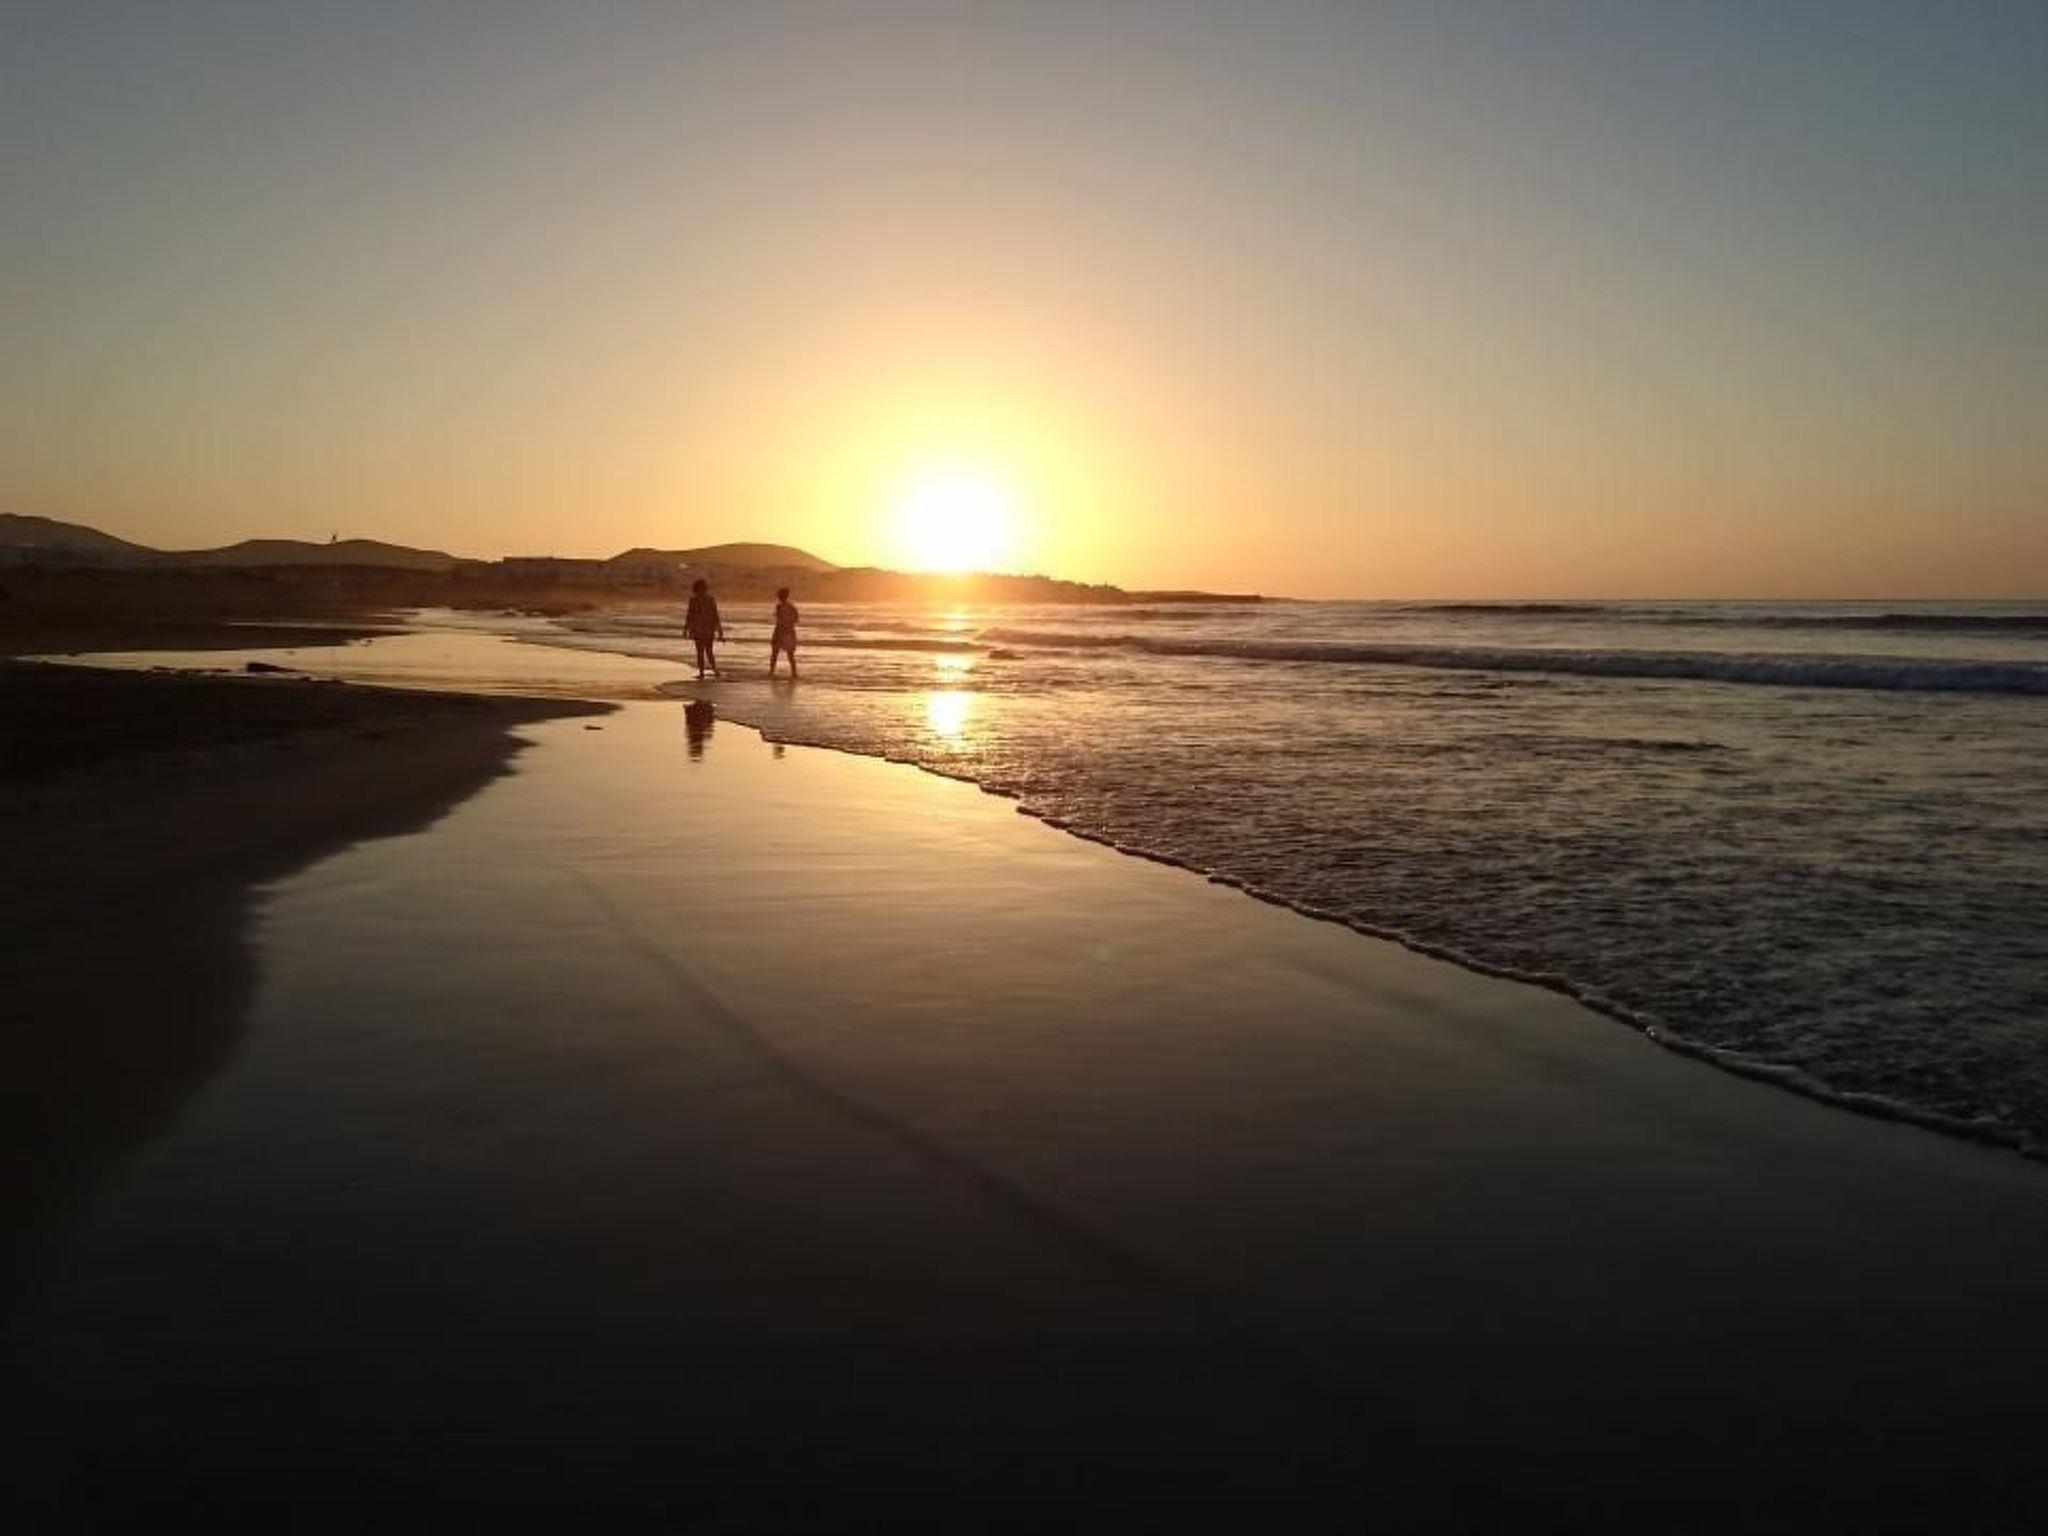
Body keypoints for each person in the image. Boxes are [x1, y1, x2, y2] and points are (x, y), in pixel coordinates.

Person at [683, 578, 725, 680]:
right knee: (709, 651)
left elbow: (689, 616)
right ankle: (714, 670)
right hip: (708, 629)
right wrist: (720, 631)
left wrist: (686, 629)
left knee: (700, 652)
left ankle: (702, 672)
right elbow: (715, 616)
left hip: (698, 630)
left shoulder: (694, 600)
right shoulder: (710, 599)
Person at [770, 586, 800, 679]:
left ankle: (771, 671)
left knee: (775, 653)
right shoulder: (792, 607)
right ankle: (794, 673)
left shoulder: (779, 607)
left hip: (781, 631)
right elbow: (796, 619)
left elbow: (779, 619)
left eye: (779, 595)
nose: (778, 597)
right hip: (790, 631)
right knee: (790, 654)